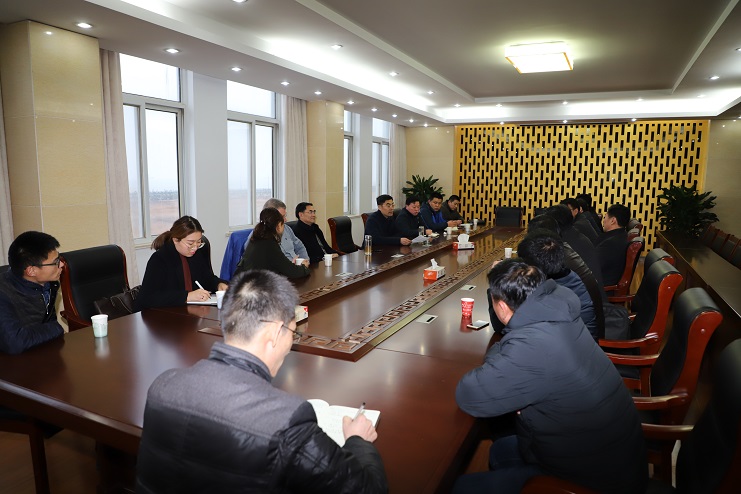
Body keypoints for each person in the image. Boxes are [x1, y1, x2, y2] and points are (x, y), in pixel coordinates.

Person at [136, 269, 388, 493]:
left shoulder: (163, 385)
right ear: (276, 332)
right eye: (293, 333)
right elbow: (367, 488)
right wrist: (358, 440)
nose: (291, 342)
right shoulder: (286, 419)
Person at [454, 260, 647, 494]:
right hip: (613, 455)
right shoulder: (558, 312)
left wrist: (501, 357)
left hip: (596, 481)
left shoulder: (533, 346)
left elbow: (469, 394)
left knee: (461, 487)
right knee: (500, 451)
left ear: (502, 307)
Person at [517, 230, 598, 339]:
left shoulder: (549, 291)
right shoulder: (569, 275)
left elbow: (511, 322)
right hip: (580, 341)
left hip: (571, 345)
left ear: (533, 268)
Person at [136, 216, 228, 310]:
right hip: (166, 314)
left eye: (199, 242)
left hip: (192, 311)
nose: (195, 248)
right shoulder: (160, 259)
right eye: (190, 243)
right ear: (175, 240)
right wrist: (187, 296)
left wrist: (218, 284)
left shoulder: (197, 254)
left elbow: (207, 278)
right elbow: (147, 298)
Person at [0, 231, 65, 354]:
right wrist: (56, 328)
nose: (61, 264)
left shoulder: (49, 284)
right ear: (31, 271)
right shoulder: (3, 293)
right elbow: (15, 343)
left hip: (40, 353)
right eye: (55, 262)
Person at [235, 208, 309, 279]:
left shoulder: (257, 238)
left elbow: (280, 266)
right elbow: (293, 272)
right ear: (279, 225)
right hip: (254, 285)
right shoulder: (270, 244)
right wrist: (304, 267)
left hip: (243, 281)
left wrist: (291, 266)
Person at [244, 198, 309, 263]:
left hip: (296, 266)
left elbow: (299, 247)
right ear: (270, 217)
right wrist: (293, 266)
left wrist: (305, 261)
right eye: (281, 217)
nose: (285, 220)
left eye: (285, 216)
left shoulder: (287, 229)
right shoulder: (258, 236)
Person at [596, 203, 631, 287]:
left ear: (613, 220)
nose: (603, 221)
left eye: (605, 217)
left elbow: (592, 267)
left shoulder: (610, 244)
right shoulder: (621, 236)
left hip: (600, 287)